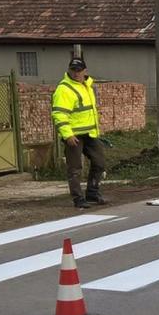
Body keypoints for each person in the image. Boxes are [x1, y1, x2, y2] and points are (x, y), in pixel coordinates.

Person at [52, 57, 106, 209]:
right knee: (75, 169)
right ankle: (78, 198)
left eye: (78, 70)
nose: (75, 73)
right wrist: (67, 135)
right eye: (73, 70)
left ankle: (92, 193)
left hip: (89, 133)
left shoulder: (87, 85)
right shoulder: (64, 89)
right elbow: (59, 114)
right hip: (74, 135)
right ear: (69, 70)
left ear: (85, 71)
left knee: (99, 163)